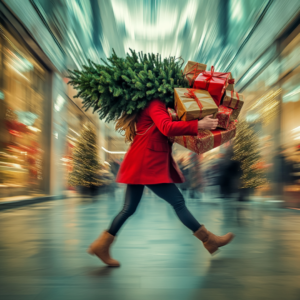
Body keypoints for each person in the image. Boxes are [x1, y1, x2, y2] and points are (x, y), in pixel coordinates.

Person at [87, 99, 235, 266]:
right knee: (178, 202)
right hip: (148, 163)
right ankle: (209, 240)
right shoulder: (155, 103)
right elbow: (166, 127)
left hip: (142, 160)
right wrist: (198, 124)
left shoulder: (153, 104)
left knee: (128, 208)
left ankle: (101, 245)